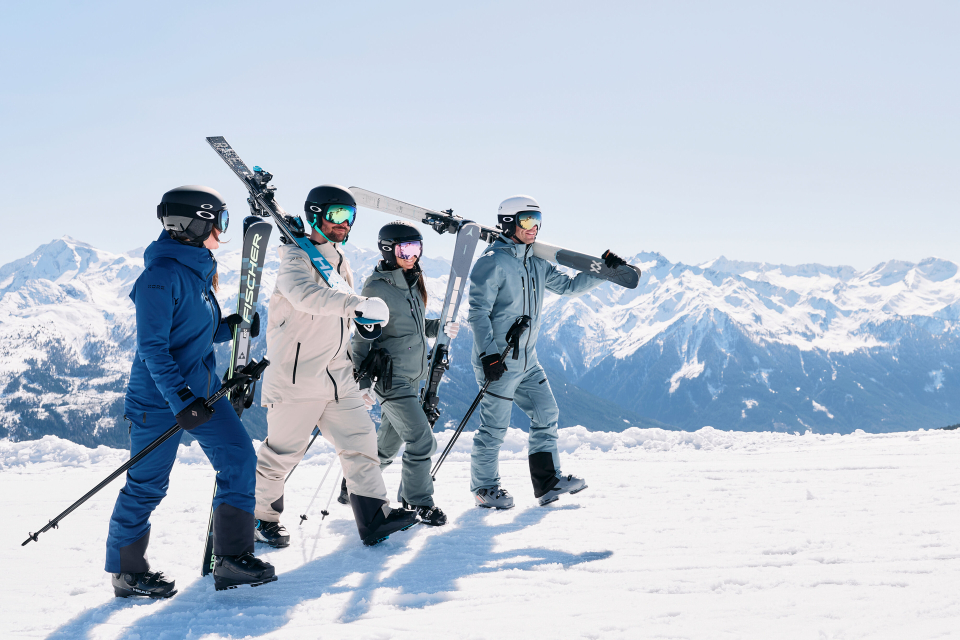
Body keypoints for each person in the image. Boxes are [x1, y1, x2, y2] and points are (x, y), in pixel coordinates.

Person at [106, 185, 275, 598]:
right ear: (196, 223)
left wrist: (229, 327)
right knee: (147, 485)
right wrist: (181, 399)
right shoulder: (159, 278)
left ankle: (233, 559)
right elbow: (153, 348)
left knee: (239, 458)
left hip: (203, 392)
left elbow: (190, 332)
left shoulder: (195, 270)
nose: (223, 229)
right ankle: (127, 573)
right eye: (220, 220)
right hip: (159, 401)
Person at [252, 185, 419, 548]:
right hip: (297, 380)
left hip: (337, 377)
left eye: (350, 216)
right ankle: (260, 519)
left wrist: (360, 326)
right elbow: (304, 296)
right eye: (337, 215)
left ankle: (374, 517)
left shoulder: (339, 262)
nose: (344, 224)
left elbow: (338, 317)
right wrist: (356, 305)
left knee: (361, 442)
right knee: (281, 455)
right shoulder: (295, 256)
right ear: (315, 215)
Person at [467, 195, 627, 508]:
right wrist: (489, 354)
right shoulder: (492, 262)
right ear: (508, 222)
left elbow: (569, 287)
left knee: (546, 413)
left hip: (528, 361)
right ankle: (484, 488)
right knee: (495, 428)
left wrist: (603, 270)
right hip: (498, 361)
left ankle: (547, 482)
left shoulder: (537, 261)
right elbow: (477, 311)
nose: (534, 228)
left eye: (538, 221)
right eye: (527, 220)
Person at [351, 222, 460, 527]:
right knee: (422, 441)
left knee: (386, 446)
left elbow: (414, 329)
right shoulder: (376, 288)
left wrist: (440, 327)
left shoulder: (412, 282)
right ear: (388, 249)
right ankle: (417, 500)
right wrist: (359, 383)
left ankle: (356, 485)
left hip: (415, 377)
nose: (412, 255)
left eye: (417, 248)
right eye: (405, 249)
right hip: (392, 379)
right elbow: (361, 338)